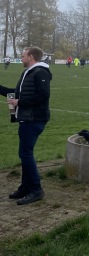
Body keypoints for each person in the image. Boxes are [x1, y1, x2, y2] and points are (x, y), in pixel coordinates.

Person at [0, 46, 52, 205]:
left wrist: (19, 102)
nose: (21, 58)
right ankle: (25, 187)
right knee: (24, 153)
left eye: (23, 56)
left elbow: (43, 95)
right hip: (26, 118)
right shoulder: (28, 72)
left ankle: (36, 189)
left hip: (34, 119)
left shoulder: (40, 72)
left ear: (31, 57)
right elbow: (16, 93)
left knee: (26, 153)